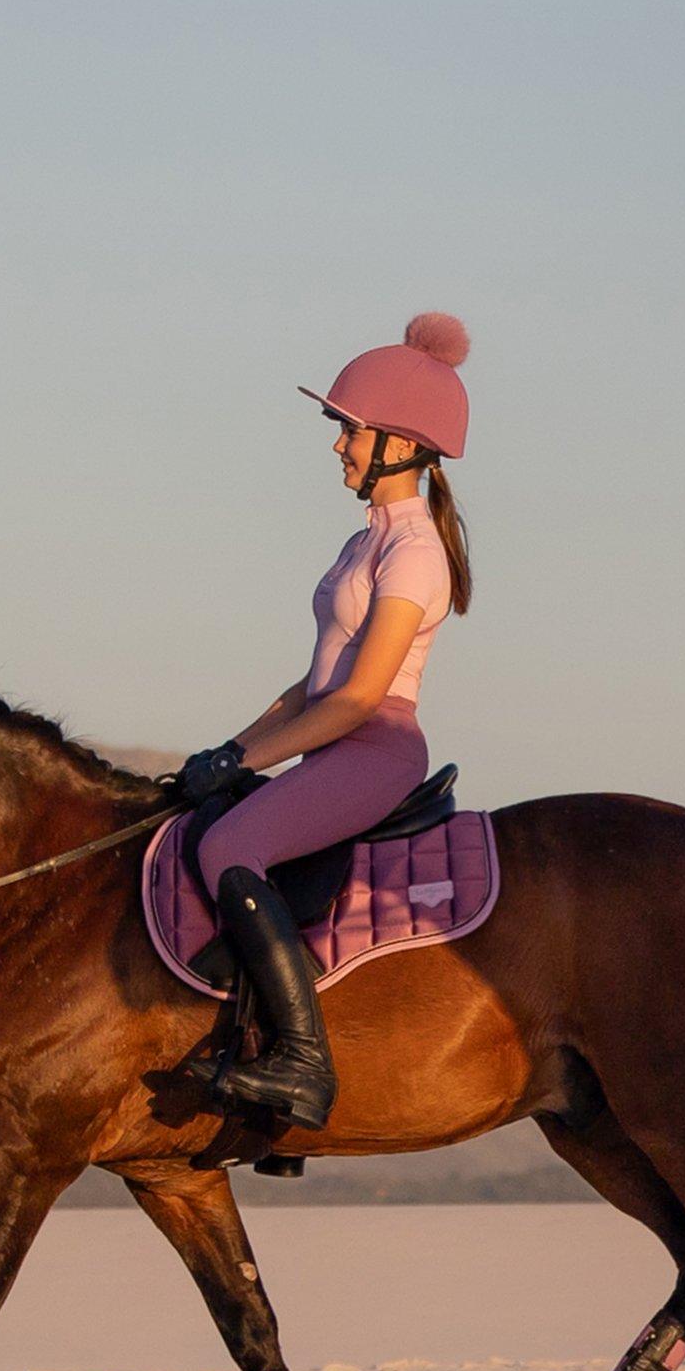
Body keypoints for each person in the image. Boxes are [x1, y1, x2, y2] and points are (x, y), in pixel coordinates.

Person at [171, 315, 477, 1124]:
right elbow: (313, 685)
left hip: (375, 749)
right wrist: (233, 747)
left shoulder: (413, 553)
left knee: (230, 844)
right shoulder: (360, 544)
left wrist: (249, 762)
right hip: (333, 742)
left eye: (351, 431)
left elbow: (355, 698)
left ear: (401, 444)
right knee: (203, 818)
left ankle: (304, 1064)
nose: (339, 445)